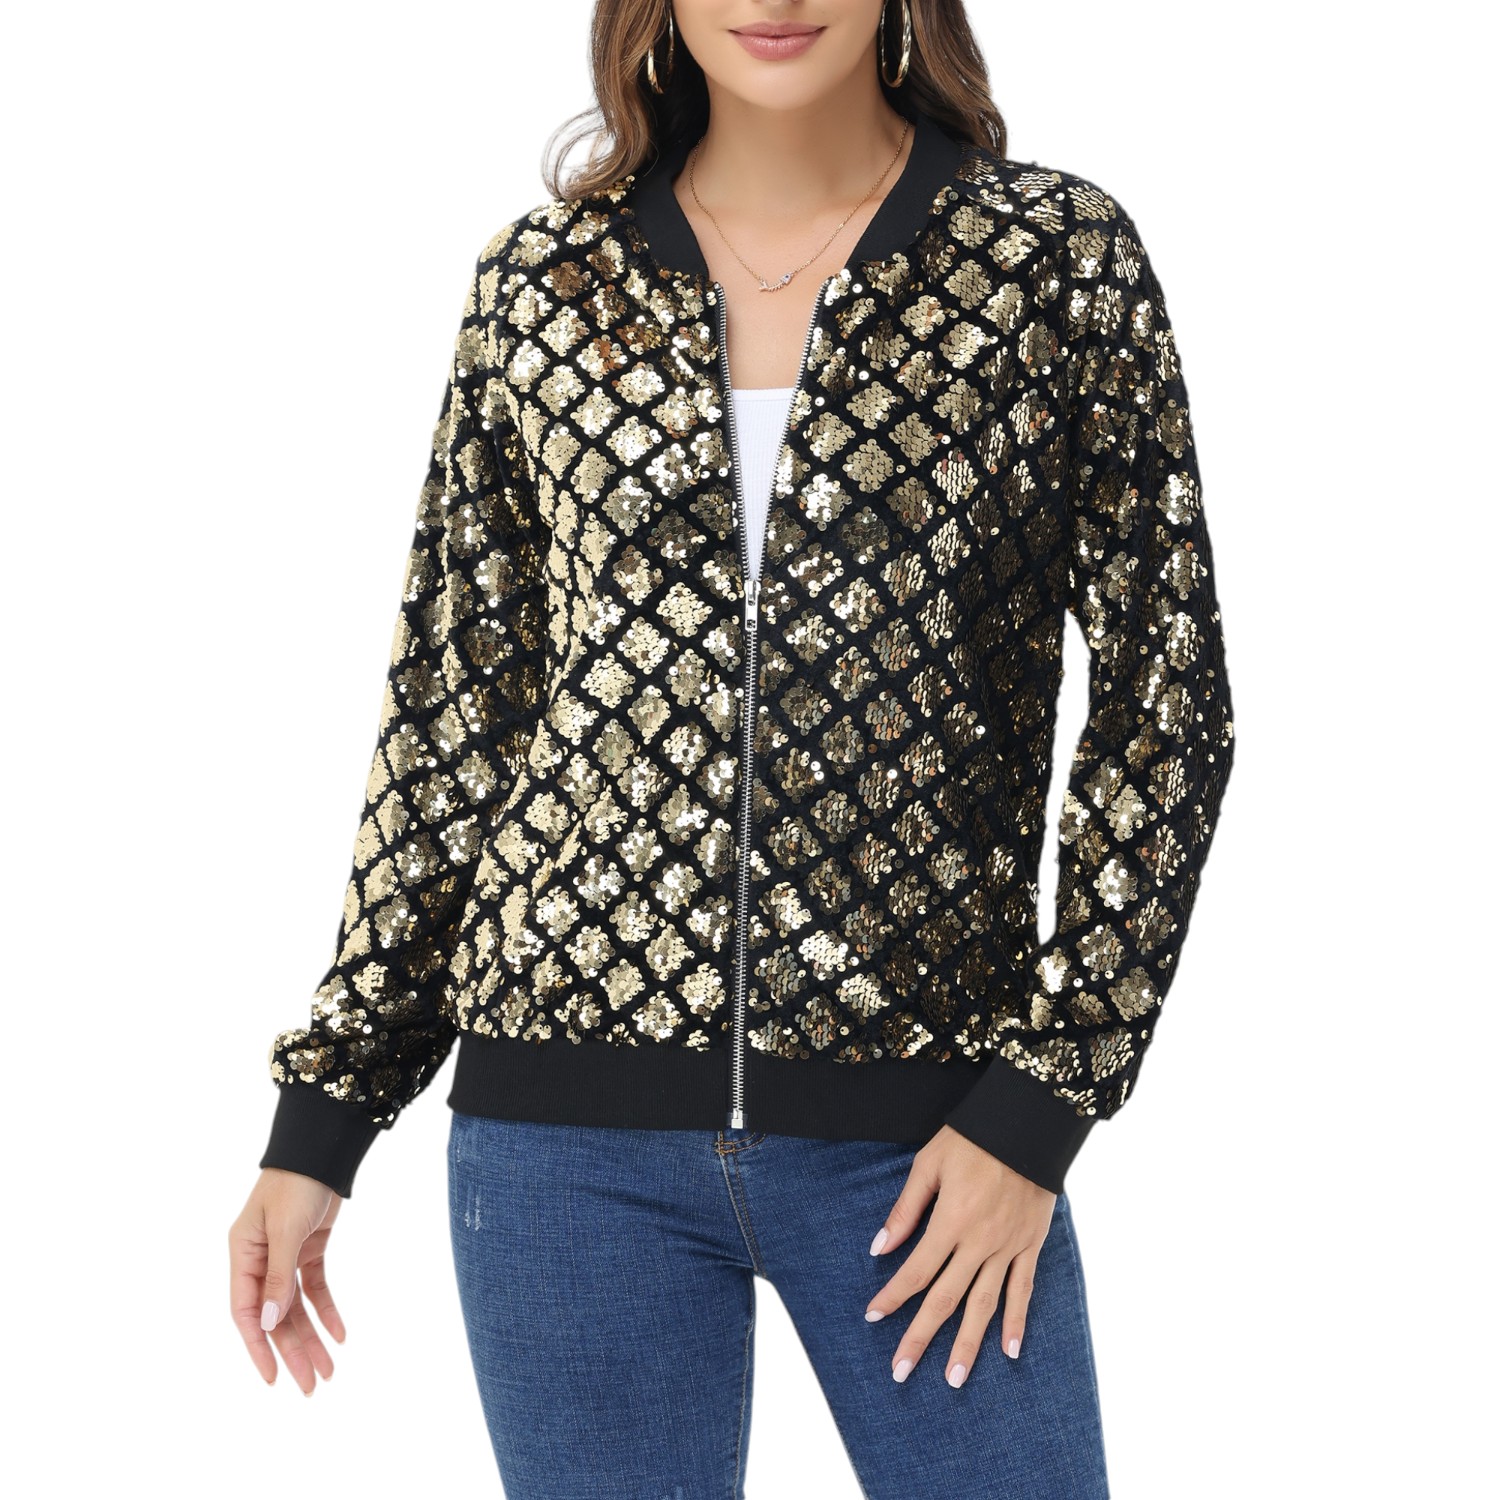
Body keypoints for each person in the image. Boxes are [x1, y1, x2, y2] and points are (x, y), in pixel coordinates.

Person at [228, 2, 1236, 1494]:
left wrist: (1042, 1102)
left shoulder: (1047, 259)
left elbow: (1169, 699)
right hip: (565, 1140)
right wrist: (325, 1115)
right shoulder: (544, 284)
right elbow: (455, 717)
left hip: (926, 1131)